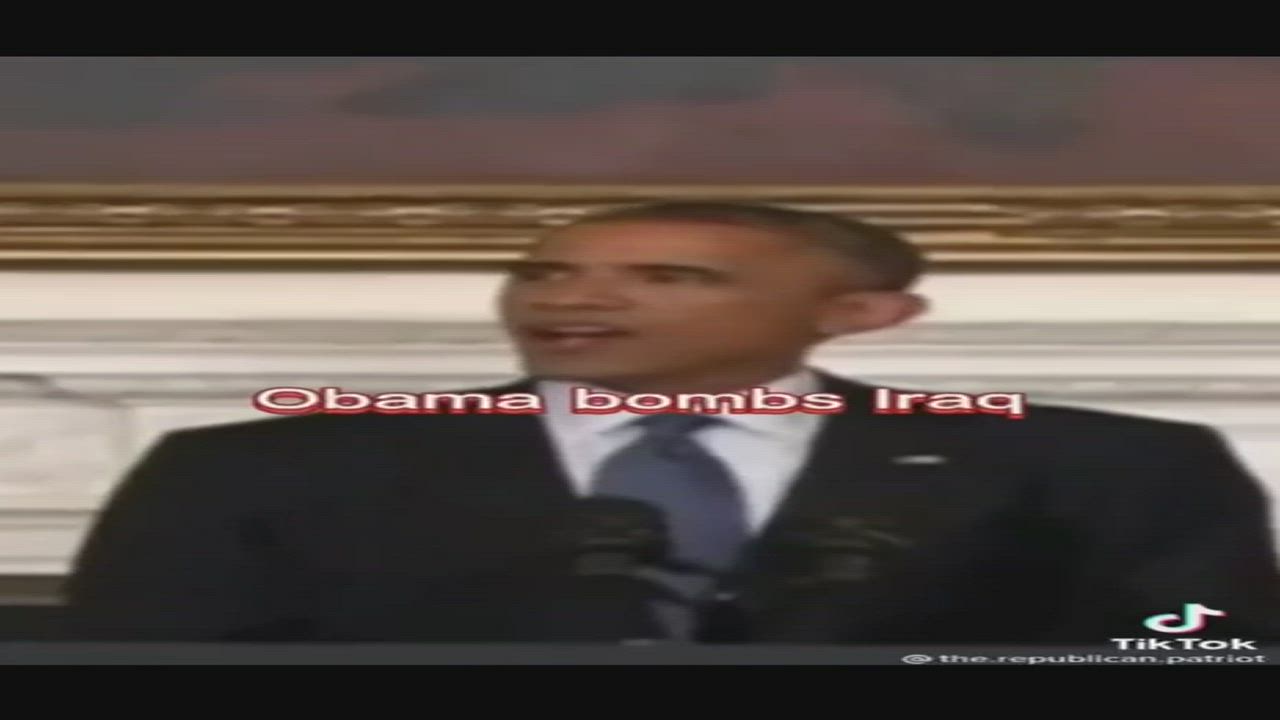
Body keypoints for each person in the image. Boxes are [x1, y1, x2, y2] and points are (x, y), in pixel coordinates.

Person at [63, 201, 1280, 643]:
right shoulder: (262, 469)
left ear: (858, 314)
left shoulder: (1100, 464)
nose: (572, 299)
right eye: (543, 272)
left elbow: (1196, 641)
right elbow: (145, 661)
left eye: (667, 278)